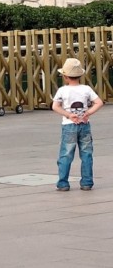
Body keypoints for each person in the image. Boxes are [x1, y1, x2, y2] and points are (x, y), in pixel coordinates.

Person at [52, 57, 103, 191]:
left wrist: (68, 114)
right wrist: (88, 113)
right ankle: (87, 182)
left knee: (66, 154)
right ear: (80, 75)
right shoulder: (86, 89)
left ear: (65, 76)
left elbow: (55, 106)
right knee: (86, 154)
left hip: (69, 124)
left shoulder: (62, 90)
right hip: (85, 125)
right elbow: (99, 102)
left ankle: (63, 183)